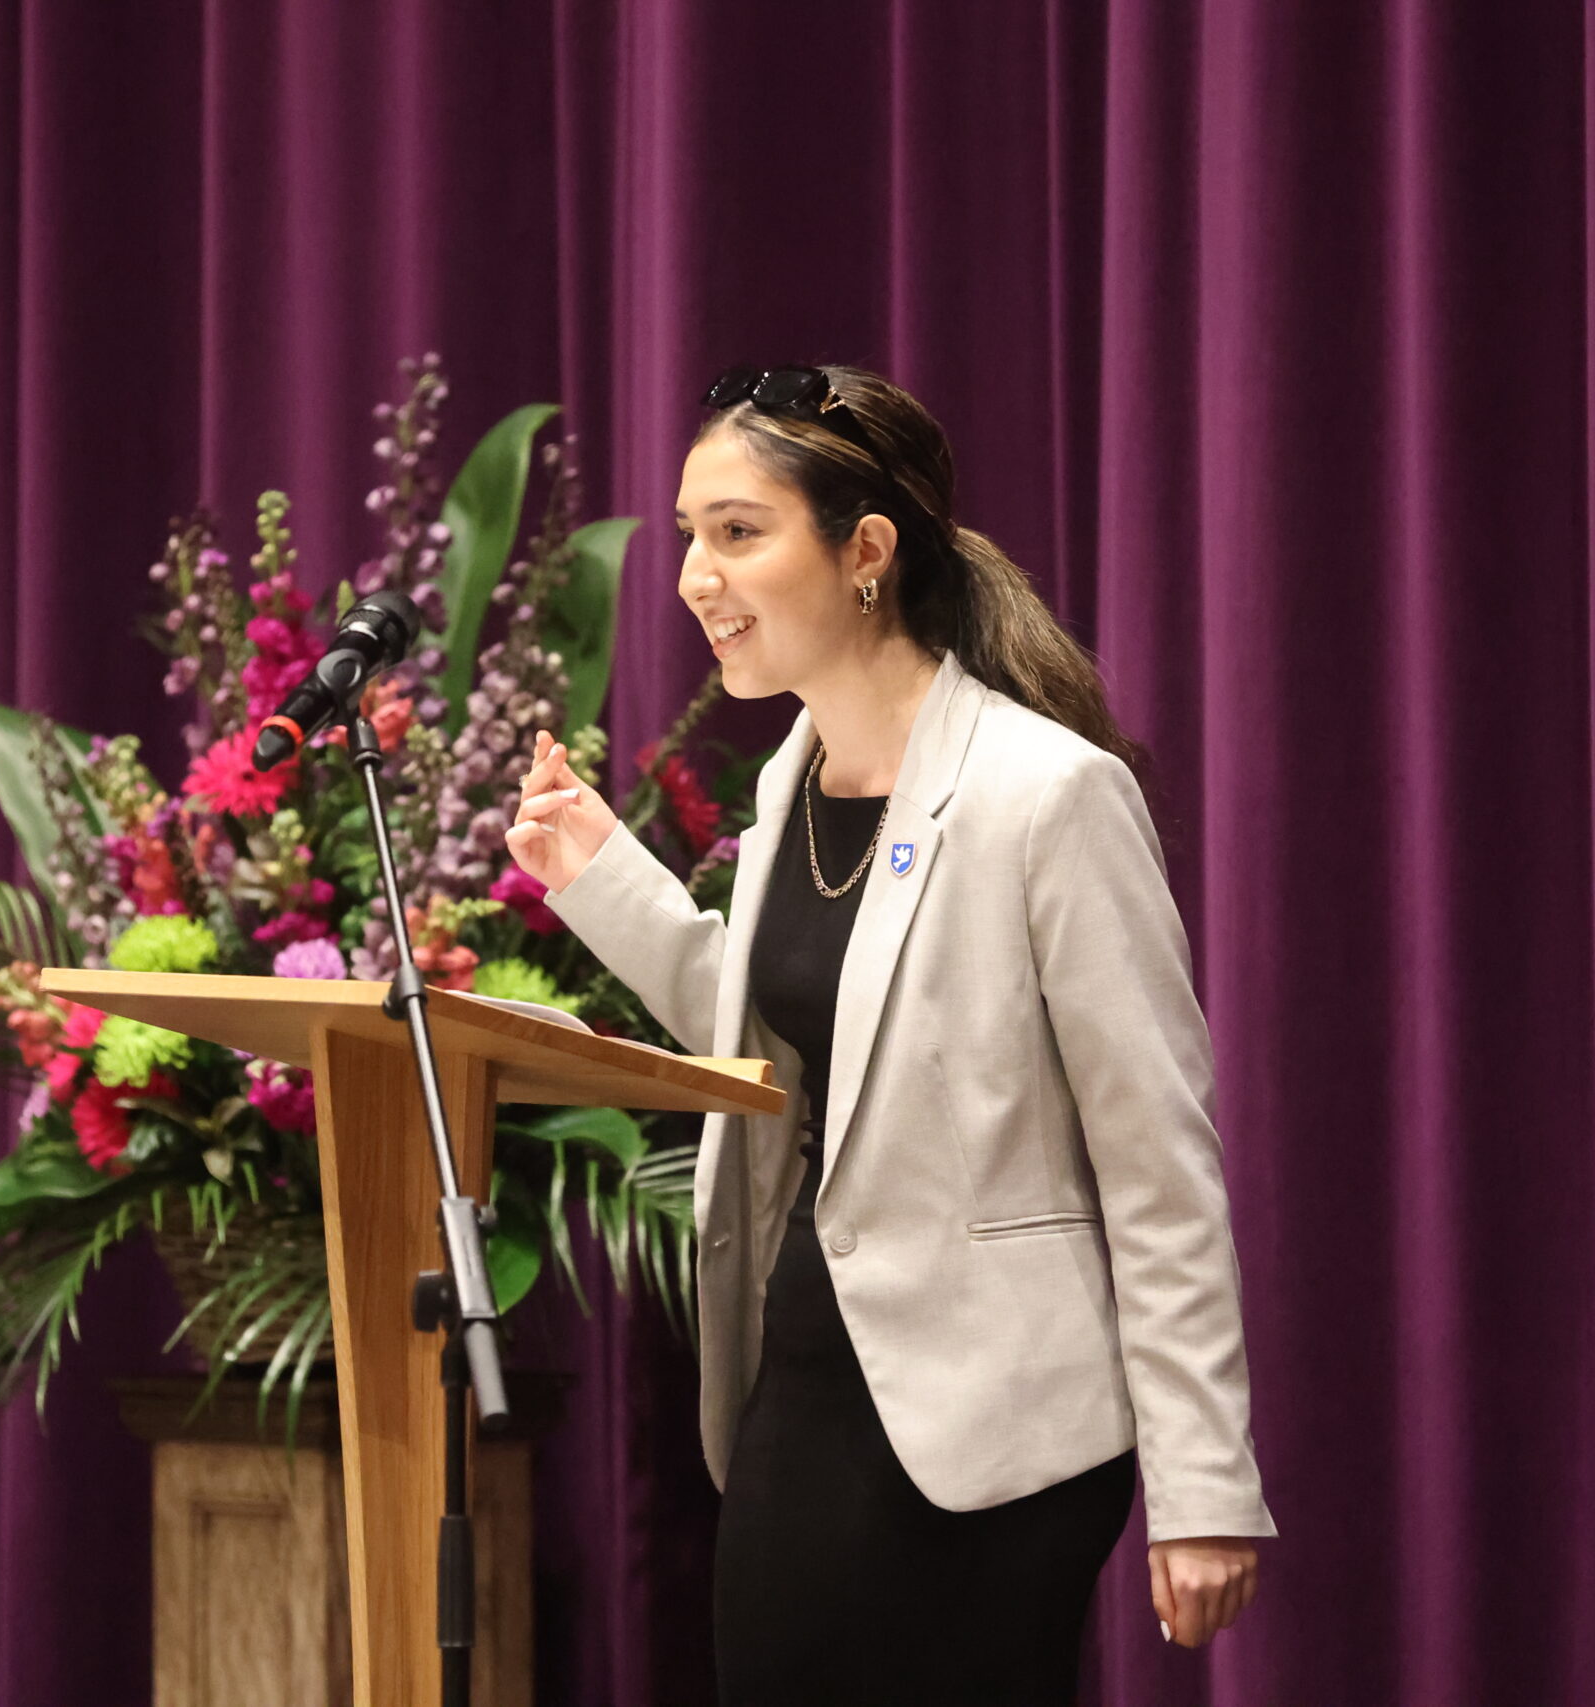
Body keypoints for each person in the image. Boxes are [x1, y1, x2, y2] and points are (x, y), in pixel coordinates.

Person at [503, 364, 1275, 1705]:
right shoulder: (787, 778)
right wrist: (598, 873)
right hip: (803, 1386)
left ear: (865, 553)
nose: (695, 574)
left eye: (739, 532)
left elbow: (1160, 1160)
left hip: (997, 1426)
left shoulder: (1048, 794)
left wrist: (1203, 1481)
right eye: (689, 533)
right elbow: (800, 1047)